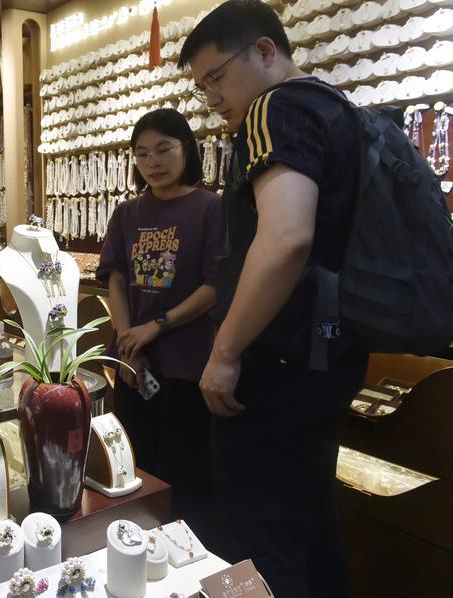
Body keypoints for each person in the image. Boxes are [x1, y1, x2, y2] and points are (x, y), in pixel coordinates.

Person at [178, 2, 368, 596]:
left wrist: (225, 352)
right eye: (201, 85)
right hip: (328, 356)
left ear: (264, 51)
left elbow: (286, 237)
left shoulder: (274, 108)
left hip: (276, 364)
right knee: (311, 527)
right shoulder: (336, 108)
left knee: (259, 544)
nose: (212, 97)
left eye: (216, 77)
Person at [96, 109, 221, 542]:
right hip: (136, 366)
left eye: (164, 149)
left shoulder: (211, 208)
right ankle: (134, 548)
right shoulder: (127, 213)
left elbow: (215, 287)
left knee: (186, 473)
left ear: (187, 149)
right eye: (143, 153)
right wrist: (128, 342)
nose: (154, 162)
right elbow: (116, 280)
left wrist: (157, 326)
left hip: (189, 365)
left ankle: (185, 553)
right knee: (134, 466)